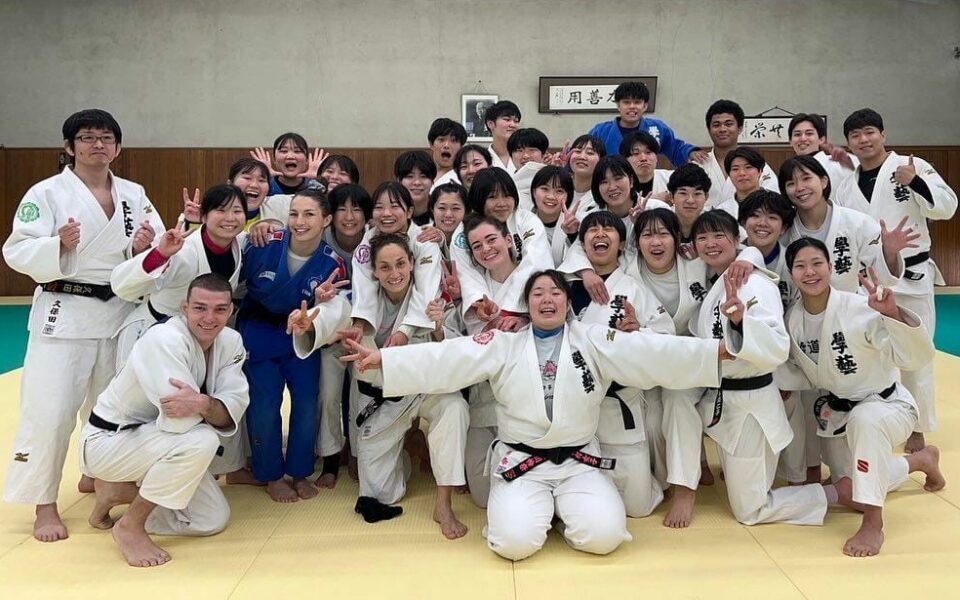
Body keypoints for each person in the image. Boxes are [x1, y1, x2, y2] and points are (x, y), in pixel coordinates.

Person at [343, 269, 730, 560]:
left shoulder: (593, 339)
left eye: (556, 292)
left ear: (567, 301)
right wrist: (383, 358)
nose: (547, 299)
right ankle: (544, 510)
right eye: (538, 293)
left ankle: (564, 510)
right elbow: (447, 357)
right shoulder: (503, 343)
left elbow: (651, 353)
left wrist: (714, 353)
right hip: (522, 462)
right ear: (527, 305)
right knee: (513, 545)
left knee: (604, 538)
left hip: (579, 463)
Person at [2, 109, 164, 542]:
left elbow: (152, 245)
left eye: (106, 138)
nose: (98, 145)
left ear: (117, 147)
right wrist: (58, 244)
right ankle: (44, 503)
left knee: (113, 407)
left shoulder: (133, 193)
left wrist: (140, 245)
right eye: (88, 138)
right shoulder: (47, 192)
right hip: (65, 313)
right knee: (50, 412)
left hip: (119, 313)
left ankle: (98, 474)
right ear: (69, 147)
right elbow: (17, 250)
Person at [782, 238, 945, 557]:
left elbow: (914, 356)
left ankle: (874, 523)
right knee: (854, 490)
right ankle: (919, 461)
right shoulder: (793, 320)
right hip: (840, 414)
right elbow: (800, 373)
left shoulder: (860, 307)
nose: (810, 272)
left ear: (831, 266)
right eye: (800, 266)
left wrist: (893, 314)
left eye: (817, 263)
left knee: (866, 422)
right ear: (791, 274)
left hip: (887, 405)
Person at [302, 234, 469, 538]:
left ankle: (443, 503)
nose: (394, 273)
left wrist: (439, 325)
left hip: (422, 392)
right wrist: (308, 323)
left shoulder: (430, 301)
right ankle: (406, 448)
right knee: (381, 496)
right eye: (385, 267)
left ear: (412, 264)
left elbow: (455, 352)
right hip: (380, 402)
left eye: (401, 264)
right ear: (374, 272)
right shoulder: (360, 303)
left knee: (455, 406)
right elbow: (331, 315)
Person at [79, 274, 248, 567]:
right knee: (202, 439)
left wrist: (204, 403)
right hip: (110, 443)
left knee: (211, 519)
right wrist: (208, 407)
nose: (210, 318)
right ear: (184, 308)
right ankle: (131, 525)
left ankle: (117, 492)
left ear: (231, 310)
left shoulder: (231, 342)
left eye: (220, 309)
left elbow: (231, 407)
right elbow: (179, 420)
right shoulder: (163, 339)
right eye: (199, 308)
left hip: (154, 444)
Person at [689, 210, 831, 526]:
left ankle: (838, 493)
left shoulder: (753, 283)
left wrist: (741, 322)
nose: (710, 244)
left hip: (751, 406)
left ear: (737, 239)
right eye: (702, 237)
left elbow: (776, 344)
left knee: (749, 510)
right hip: (728, 401)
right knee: (745, 490)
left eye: (718, 236)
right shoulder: (723, 279)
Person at [834, 108, 958, 453]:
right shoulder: (846, 184)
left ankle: (917, 429)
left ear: (883, 135)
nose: (863, 140)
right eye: (855, 136)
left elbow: (947, 207)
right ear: (849, 143)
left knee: (916, 353)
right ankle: (882, 420)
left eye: (870, 132)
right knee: (873, 352)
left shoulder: (911, 166)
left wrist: (915, 182)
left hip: (911, 276)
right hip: (869, 281)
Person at [237, 187, 350, 502]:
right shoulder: (261, 244)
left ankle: (299, 471)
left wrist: (323, 305)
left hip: (302, 335)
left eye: (309, 214)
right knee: (265, 405)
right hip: (259, 332)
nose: (299, 222)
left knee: (306, 403)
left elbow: (340, 308)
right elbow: (230, 275)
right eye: (294, 214)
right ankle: (271, 475)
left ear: (326, 219)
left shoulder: (333, 263)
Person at [563, 211, 675, 518]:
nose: (600, 234)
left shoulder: (634, 288)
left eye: (607, 230)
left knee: (637, 508)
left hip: (621, 405)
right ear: (581, 246)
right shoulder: (563, 287)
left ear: (622, 242)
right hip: (576, 406)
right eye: (592, 231)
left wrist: (640, 330)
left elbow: (667, 332)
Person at [314, 183, 372, 487]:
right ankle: (330, 457)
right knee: (328, 394)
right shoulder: (318, 241)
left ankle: (359, 454)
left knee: (361, 395)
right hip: (329, 335)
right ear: (330, 215)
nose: (349, 216)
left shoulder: (375, 241)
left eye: (357, 209)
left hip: (364, 332)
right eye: (341, 209)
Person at [588, 81, 705, 166]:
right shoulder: (601, 131)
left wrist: (690, 152)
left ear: (645, 106)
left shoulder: (657, 128)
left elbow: (676, 148)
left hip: (647, 185)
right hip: (612, 187)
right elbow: (585, 152)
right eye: (626, 102)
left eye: (637, 102)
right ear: (618, 106)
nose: (632, 106)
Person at [699, 100, 779, 209]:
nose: (722, 129)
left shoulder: (756, 164)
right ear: (709, 129)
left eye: (728, 124)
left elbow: (773, 198)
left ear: (740, 128)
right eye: (716, 125)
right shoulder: (699, 165)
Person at [788, 112, 859, 186]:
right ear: (790, 141)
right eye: (797, 134)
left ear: (821, 139)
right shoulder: (789, 169)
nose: (803, 138)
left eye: (809, 133)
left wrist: (847, 164)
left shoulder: (838, 163)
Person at [250, 132, 326, 196]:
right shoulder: (266, 185)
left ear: (307, 160)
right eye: (283, 151)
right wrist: (262, 178)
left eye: (297, 151)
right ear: (274, 159)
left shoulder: (315, 185)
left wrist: (318, 179)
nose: (290, 156)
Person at [530, 166, 578, 265]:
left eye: (559, 191)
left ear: (568, 196)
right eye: (545, 189)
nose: (551, 196)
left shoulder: (576, 224)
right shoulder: (521, 222)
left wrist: (573, 235)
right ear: (534, 192)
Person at [721, 147, 779, 212]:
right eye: (735, 169)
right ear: (729, 174)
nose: (742, 173)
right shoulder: (722, 211)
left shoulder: (777, 205)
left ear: (760, 171)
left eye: (748, 167)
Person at [620, 131, 672, 200]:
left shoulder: (672, 178)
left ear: (656, 157)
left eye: (648, 152)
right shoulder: (619, 185)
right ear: (625, 160)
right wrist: (652, 201)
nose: (643, 158)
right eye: (636, 153)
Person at [394, 150, 437, 225]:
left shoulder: (441, 211)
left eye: (423, 176)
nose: (417, 182)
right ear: (398, 180)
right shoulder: (389, 214)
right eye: (410, 176)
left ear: (432, 180)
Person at [428, 118, 467, 190]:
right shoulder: (422, 175)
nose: (446, 145)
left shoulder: (465, 178)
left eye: (453, 140)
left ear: (461, 147)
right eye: (441, 140)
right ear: (431, 144)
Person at [484, 100, 522, 173]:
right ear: (490, 124)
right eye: (507, 120)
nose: (513, 125)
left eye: (516, 121)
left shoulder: (525, 156)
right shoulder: (482, 159)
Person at [569, 134, 606, 206]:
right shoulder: (560, 185)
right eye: (578, 151)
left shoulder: (604, 195)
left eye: (590, 153)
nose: (582, 157)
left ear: (601, 160)